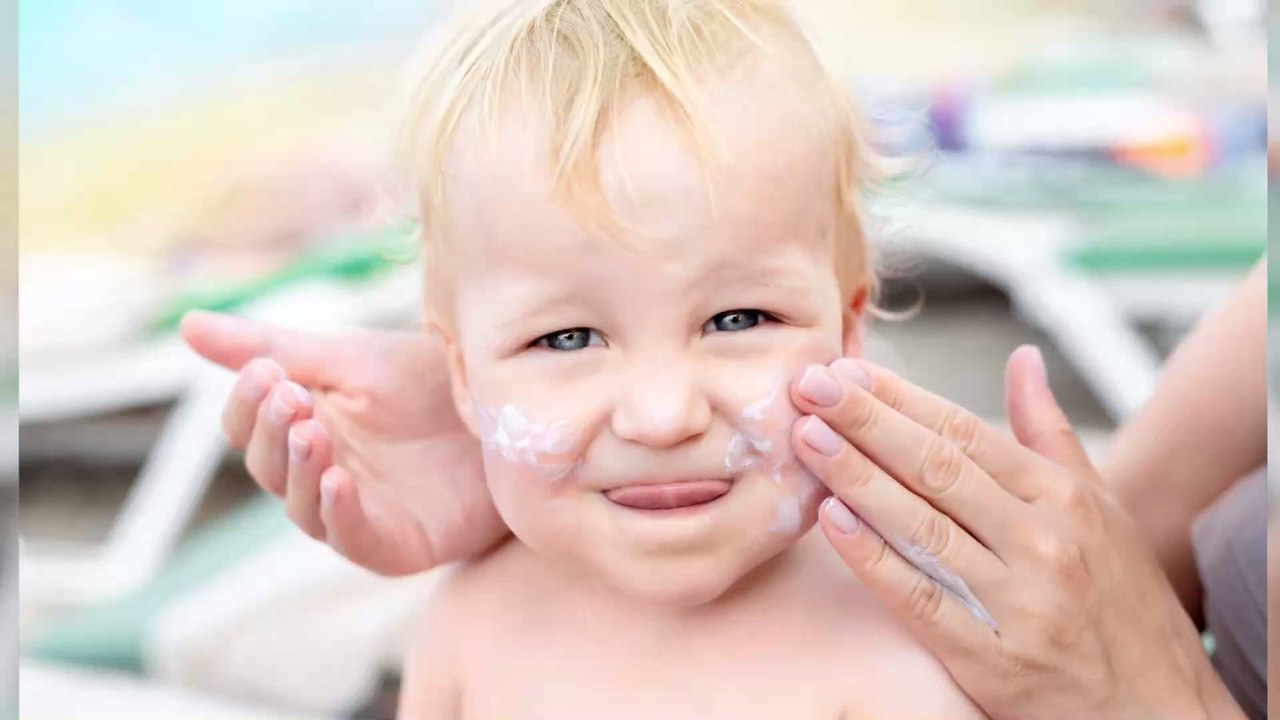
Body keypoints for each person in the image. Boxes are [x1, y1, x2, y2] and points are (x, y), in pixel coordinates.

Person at [177, 7, 1264, 720]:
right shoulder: (469, 619)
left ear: (846, 332)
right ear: (459, 376)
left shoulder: (914, 637)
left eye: (737, 319)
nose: (659, 411)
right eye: (565, 339)